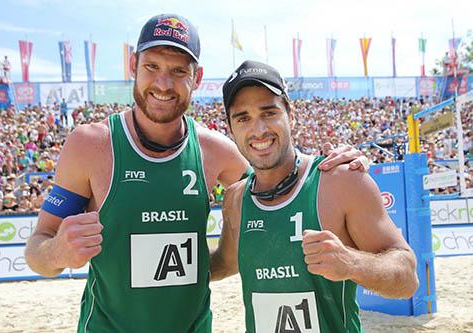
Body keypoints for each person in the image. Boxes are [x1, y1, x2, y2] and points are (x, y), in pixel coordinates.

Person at [25, 14, 367, 333]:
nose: (163, 83)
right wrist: (57, 254)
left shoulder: (215, 150)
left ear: (197, 78)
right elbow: (38, 250)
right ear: (133, 66)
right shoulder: (90, 145)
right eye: (152, 66)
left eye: (178, 71)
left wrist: (339, 165)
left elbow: (281, 182)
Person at [210, 60, 419, 332]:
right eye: (243, 118)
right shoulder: (236, 199)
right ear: (230, 126)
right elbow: (224, 263)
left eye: (269, 112)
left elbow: (408, 279)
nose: (258, 129)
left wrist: (353, 263)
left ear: (290, 113)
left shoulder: (341, 181)